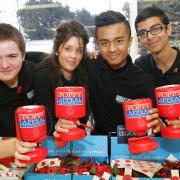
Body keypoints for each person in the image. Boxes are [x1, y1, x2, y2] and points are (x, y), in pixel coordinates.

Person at [58, 10, 161, 135]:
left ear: (130, 41)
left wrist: (157, 125)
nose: (112, 49)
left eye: (119, 41)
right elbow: (57, 62)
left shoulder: (144, 81)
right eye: (105, 43)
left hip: (132, 145)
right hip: (99, 144)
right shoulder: (89, 66)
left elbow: (153, 125)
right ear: (97, 44)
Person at [14, 20, 89, 167]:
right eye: (68, 48)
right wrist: (57, 125)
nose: (74, 55)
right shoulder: (43, 76)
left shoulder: (85, 72)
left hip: (79, 143)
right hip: (51, 145)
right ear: (57, 49)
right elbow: (46, 118)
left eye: (79, 50)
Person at [134, 6, 180, 128]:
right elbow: (122, 97)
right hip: (156, 141)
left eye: (155, 29)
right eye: (143, 33)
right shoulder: (140, 66)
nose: (149, 36)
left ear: (168, 29)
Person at [0, 23, 36, 159]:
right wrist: (14, 146)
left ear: (23, 56)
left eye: (12, 56)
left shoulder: (37, 73)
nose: (4, 65)